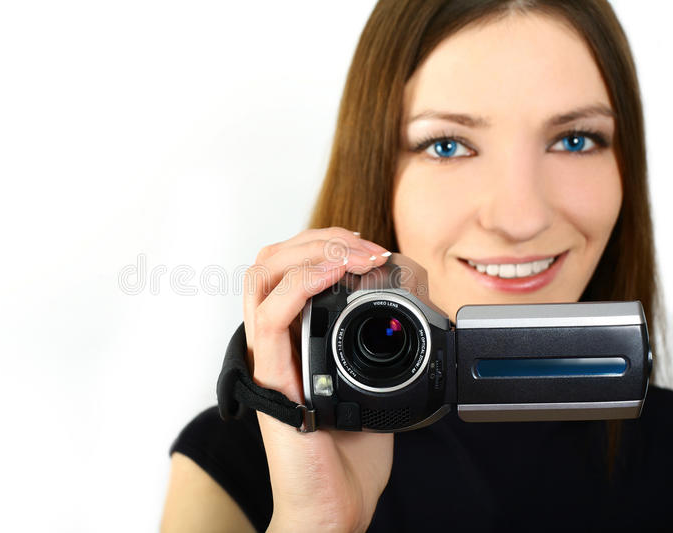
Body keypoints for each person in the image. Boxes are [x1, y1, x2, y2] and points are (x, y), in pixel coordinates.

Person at [161, 1, 673, 531]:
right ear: (377, 170)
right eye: (447, 146)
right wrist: (315, 522)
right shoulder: (229, 465)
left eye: (575, 140)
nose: (520, 218)